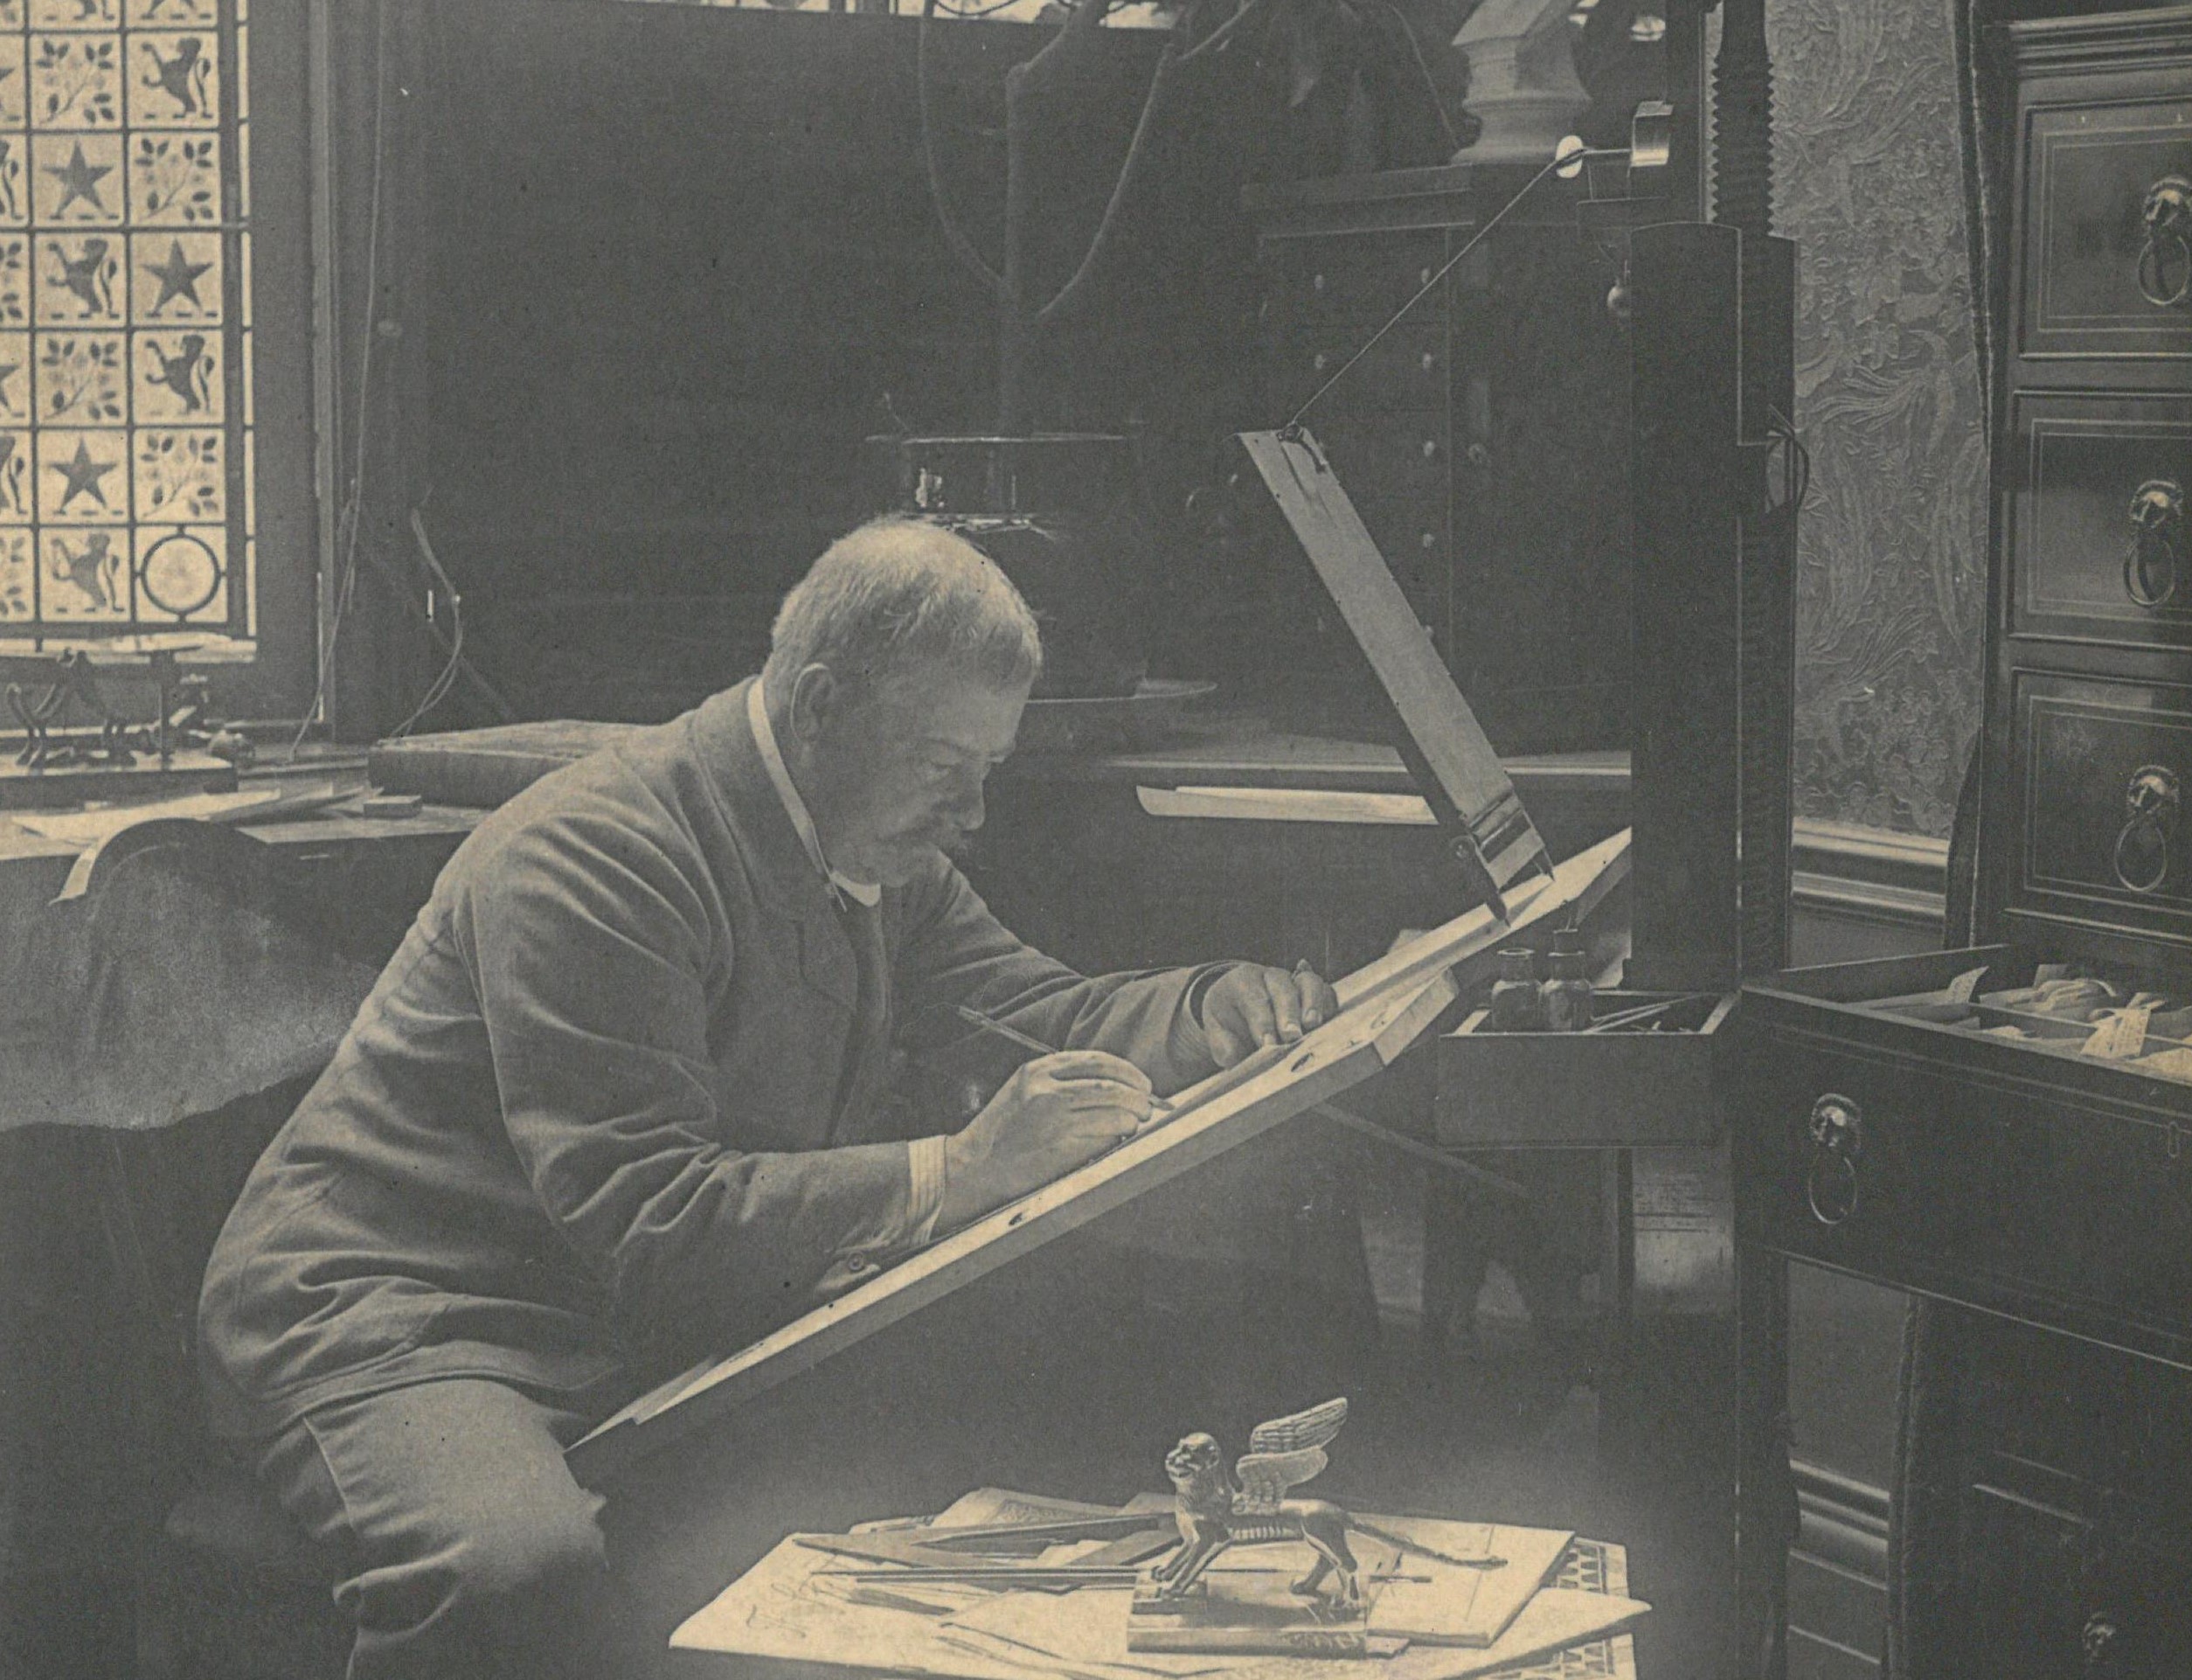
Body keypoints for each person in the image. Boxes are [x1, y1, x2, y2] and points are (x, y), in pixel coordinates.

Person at [198, 517, 1340, 1680]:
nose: (973, 816)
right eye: (945, 770)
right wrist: (964, 1166)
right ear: (821, 702)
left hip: (612, 1312)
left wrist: (1219, 1007)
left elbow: (1046, 1015)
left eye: (985, 773)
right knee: (515, 1574)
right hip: (405, 1314)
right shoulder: (595, 855)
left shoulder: (872, 849)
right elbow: (653, 1216)